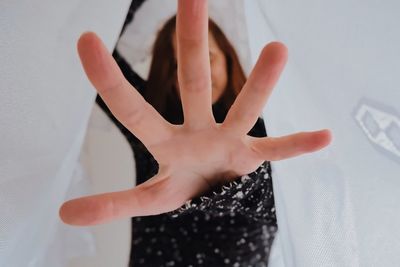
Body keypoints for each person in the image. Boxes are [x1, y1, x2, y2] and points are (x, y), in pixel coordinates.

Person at [59, 0, 332, 266]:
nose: (188, 71)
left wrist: (237, 186)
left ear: (228, 58)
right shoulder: (151, 129)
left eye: (209, 57)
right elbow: (98, 58)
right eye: (174, 66)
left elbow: (294, 216)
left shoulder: (264, 135)